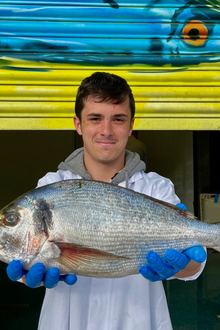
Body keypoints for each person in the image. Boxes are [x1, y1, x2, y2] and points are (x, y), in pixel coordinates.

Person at [7, 72, 206, 330]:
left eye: (118, 119)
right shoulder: (50, 187)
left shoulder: (156, 188)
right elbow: (39, 260)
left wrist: (181, 267)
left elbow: (193, 266)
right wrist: (30, 276)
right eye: (95, 118)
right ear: (78, 125)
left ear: (131, 125)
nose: (106, 130)